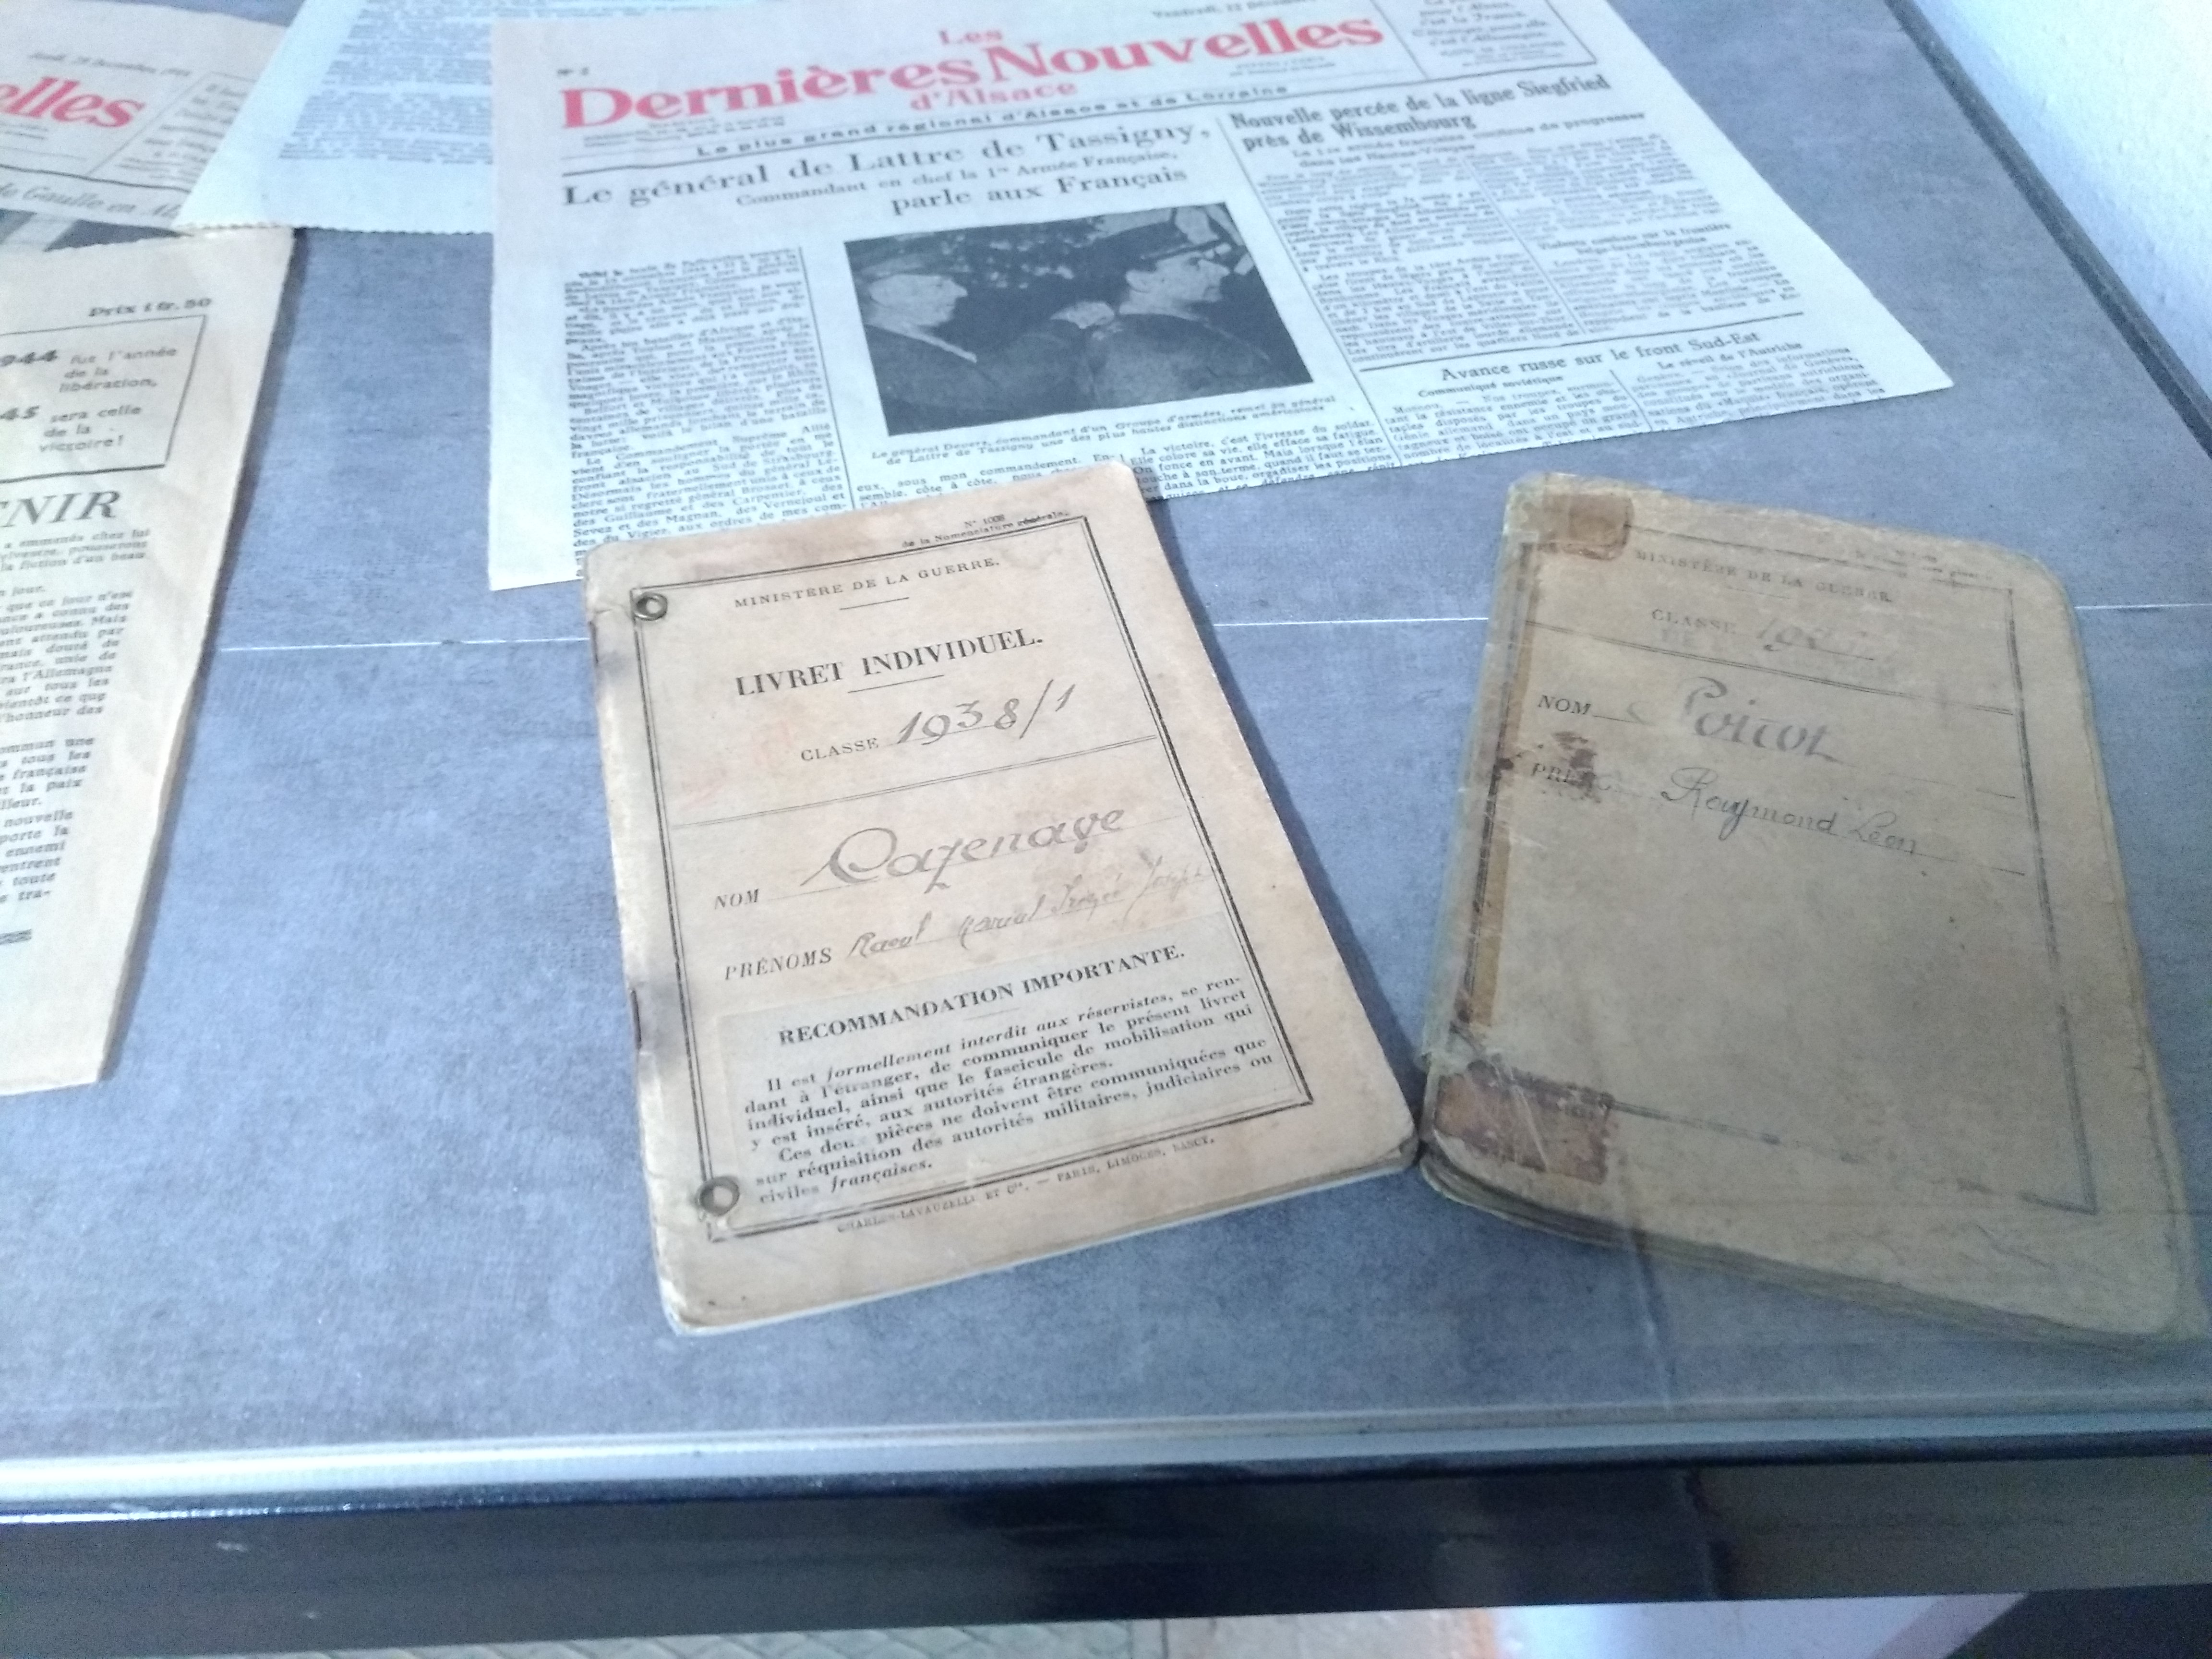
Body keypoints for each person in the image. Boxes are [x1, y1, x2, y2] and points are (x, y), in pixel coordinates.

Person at [854, 247, 1111, 435]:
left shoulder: (909, 340)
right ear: (886, 293)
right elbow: (1000, 388)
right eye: (940, 285)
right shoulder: (882, 356)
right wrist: (1066, 325)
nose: (961, 291)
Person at [1078, 222, 1306, 409]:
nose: (1222, 271)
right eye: (1194, 264)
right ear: (1142, 281)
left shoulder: (1176, 330)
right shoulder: (1134, 348)